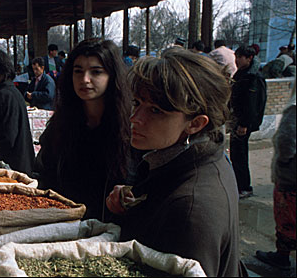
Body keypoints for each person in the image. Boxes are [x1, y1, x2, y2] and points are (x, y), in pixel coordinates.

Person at [106, 48, 244, 277]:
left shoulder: (192, 208)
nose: (135, 118)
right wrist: (135, 204)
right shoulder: (197, 158)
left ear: (196, 123)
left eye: (155, 110)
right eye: (137, 103)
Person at [33, 38, 132, 221]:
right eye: (78, 71)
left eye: (96, 72)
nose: (85, 80)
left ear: (112, 76)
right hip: (64, 223)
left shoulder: (129, 127)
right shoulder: (61, 123)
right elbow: (45, 172)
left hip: (110, 231)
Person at [255, 83, 296, 271]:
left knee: (286, 217)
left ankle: (283, 257)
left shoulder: (294, 109)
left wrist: (284, 163)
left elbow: (286, 140)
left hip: (291, 177)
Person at [0, 50, 34, 176]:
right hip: (18, 163)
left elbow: (8, 137)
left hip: (13, 168)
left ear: (0, 71)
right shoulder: (7, 92)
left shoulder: (4, 95)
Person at [230, 45, 266, 199]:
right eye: (236, 57)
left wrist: (244, 124)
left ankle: (244, 186)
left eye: (240, 57)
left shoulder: (253, 77)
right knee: (236, 154)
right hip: (237, 119)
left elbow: (252, 103)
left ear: (249, 58)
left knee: (240, 154)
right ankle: (239, 184)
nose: (237, 61)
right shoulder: (242, 74)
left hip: (243, 122)